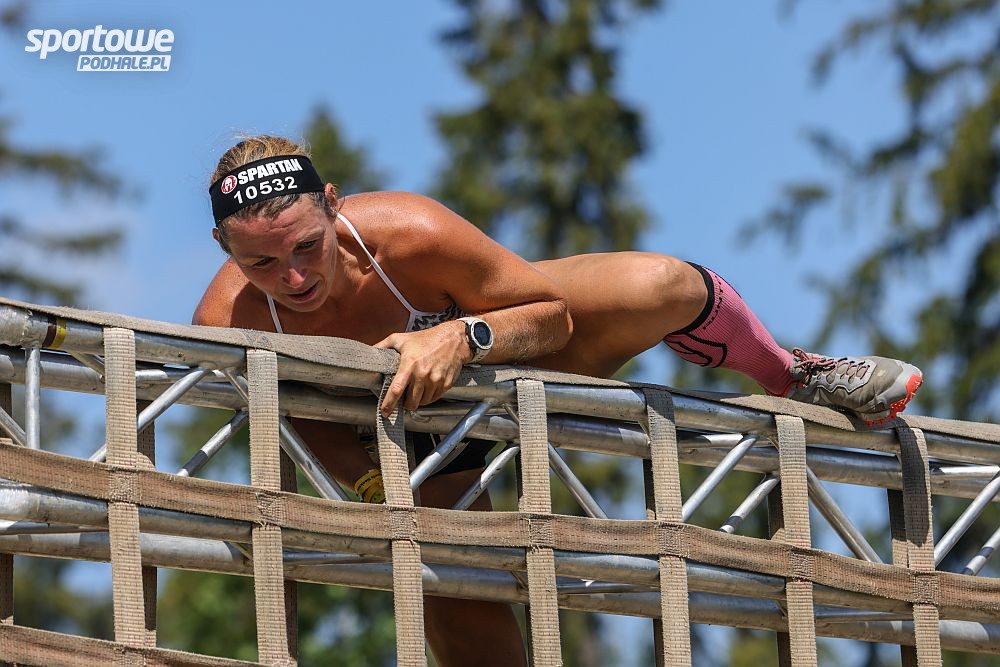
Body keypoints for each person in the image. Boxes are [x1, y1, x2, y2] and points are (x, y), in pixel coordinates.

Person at [194, 135, 922, 666]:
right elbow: (290, 420)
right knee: (470, 626)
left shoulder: (409, 234)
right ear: (225, 247)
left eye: (307, 247)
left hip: (512, 355)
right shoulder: (227, 322)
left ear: (333, 206)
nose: (294, 279)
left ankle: (791, 371)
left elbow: (551, 314)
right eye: (262, 262)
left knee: (663, 285)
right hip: (402, 446)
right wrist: (376, 487)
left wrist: (462, 337)